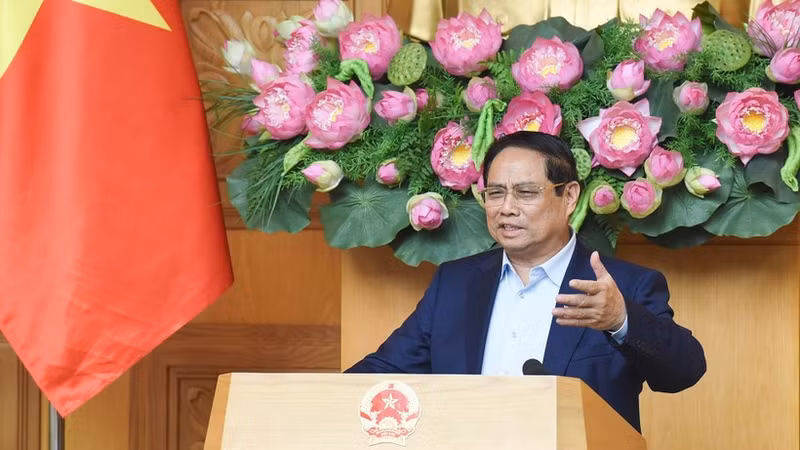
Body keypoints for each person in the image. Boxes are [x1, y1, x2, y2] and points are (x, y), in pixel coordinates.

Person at [346, 131, 707, 432]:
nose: (506, 208)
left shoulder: (623, 286)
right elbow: (384, 373)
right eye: (496, 193)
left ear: (569, 197)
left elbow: (683, 372)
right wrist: (303, 398)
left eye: (526, 193)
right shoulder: (454, 284)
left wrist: (620, 320)